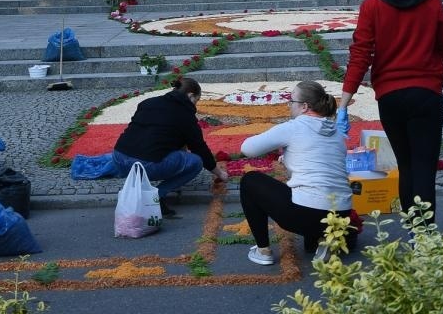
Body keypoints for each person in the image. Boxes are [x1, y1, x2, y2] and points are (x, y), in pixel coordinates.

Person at [338, 0, 443, 223]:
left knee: (405, 165)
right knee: (424, 167)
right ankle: (426, 235)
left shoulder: (372, 6)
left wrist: (344, 103)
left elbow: (360, 55)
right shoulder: (431, 2)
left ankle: (414, 233)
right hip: (426, 93)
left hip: (391, 96)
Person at [239, 80, 353, 264]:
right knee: (311, 198)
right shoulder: (337, 133)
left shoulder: (294, 127)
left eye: (291, 101)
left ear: (304, 107)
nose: (288, 105)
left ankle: (263, 251)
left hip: (308, 212)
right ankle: (322, 240)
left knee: (250, 180)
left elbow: (247, 149)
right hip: (342, 214)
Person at [113, 76, 228, 216]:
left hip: (119, 158)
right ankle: (156, 196)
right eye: (196, 101)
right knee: (196, 162)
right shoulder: (185, 115)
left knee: (154, 151)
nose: (195, 106)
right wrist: (219, 173)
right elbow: (199, 148)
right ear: (190, 95)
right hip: (145, 165)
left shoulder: (148, 102)